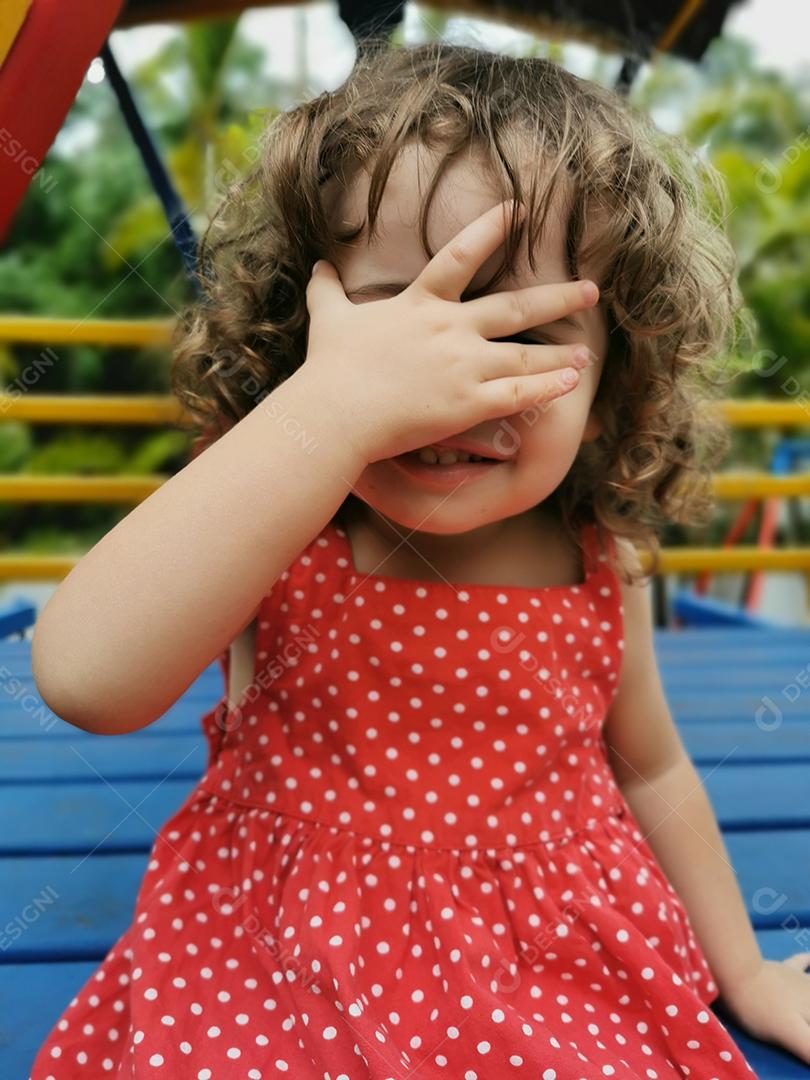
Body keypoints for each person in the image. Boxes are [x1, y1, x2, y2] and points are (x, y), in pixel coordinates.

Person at [30, 39, 810, 1080]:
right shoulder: (286, 520)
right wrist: (325, 419)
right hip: (278, 956)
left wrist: (748, 973)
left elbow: (654, 766)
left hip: (552, 965)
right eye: (398, 317)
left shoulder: (597, 559)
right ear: (300, 334)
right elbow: (85, 680)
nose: (452, 380)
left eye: (523, 330)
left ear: (618, 368)